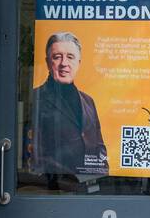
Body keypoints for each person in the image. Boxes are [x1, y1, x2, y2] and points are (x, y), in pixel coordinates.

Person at [31, 31, 107, 178]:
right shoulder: (36, 98)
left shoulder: (89, 101)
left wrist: (102, 179)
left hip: (90, 186)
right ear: (47, 63)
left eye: (70, 57)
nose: (64, 63)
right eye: (57, 57)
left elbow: (100, 148)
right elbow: (36, 153)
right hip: (56, 186)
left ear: (78, 63)